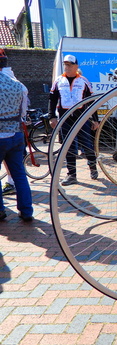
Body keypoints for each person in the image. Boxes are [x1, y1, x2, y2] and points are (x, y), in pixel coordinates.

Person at [48, 54, 99, 186]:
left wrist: (95, 120)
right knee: (68, 147)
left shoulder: (84, 81)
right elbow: (52, 100)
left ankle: (93, 167)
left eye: (70, 65)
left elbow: (92, 102)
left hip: (82, 117)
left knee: (87, 144)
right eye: (65, 64)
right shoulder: (58, 81)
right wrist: (52, 117)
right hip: (65, 118)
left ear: (76, 66)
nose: (67, 67)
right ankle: (72, 175)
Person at [0, 49, 34, 221]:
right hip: (15, 135)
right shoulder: (19, 85)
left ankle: (0, 210)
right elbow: (23, 112)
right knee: (19, 174)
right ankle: (26, 211)